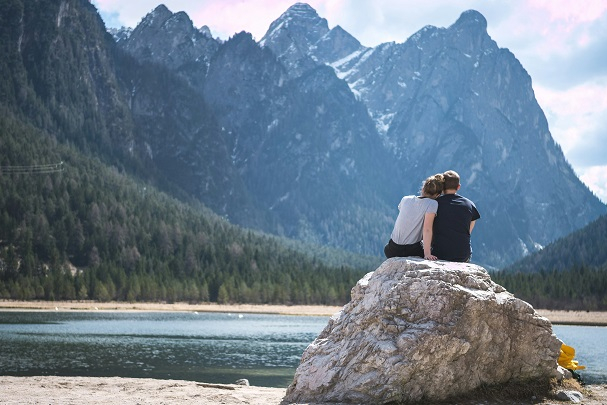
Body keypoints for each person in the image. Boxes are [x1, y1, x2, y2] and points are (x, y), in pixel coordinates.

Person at [384, 173, 444, 260]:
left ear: (423, 189)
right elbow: (427, 229)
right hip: (410, 250)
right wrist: (427, 254)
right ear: (438, 195)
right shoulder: (432, 204)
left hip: (392, 249)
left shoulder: (405, 199)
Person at [431, 170, 480, 262]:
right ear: (458, 187)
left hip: (439, 253)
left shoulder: (434, 204)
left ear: (442, 187)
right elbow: (468, 231)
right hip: (462, 255)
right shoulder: (470, 205)